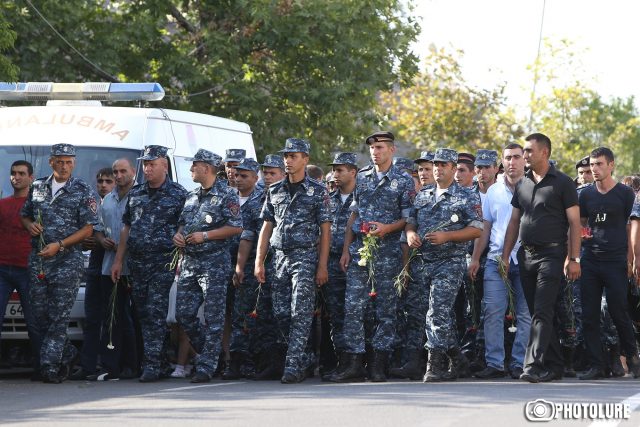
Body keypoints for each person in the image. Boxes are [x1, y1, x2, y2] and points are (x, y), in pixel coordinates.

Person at [331, 131, 415, 383]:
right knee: (353, 308)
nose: (374, 152)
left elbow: (409, 218)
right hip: (360, 254)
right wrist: (346, 249)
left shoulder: (403, 180)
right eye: (372, 148)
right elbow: (354, 216)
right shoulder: (364, 177)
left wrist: (388, 228)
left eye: (379, 147)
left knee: (385, 311)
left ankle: (379, 363)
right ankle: (355, 362)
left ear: (391, 150)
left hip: (388, 253)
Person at [502, 133, 582, 383]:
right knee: (541, 311)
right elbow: (515, 221)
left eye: (528, 151)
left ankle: (532, 365)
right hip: (526, 255)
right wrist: (505, 256)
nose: (524, 155)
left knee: (541, 310)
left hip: (553, 254)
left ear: (544, 152)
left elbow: (574, 223)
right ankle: (556, 365)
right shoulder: (522, 183)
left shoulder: (563, 182)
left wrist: (574, 258)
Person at [255, 137, 331, 383]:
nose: (288, 160)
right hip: (279, 258)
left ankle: (293, 366)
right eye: (286, 156)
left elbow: (325, 230)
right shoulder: (275, 190)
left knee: (300, 310)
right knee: (280, 313)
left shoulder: (317, 191)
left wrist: (321, 265)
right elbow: (267, 227)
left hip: (305, 256)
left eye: (293, 156)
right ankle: (305, 357)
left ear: (305, 159)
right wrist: (259, 261)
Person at [21, 144, 98, 383]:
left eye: (68, 162)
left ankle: (50, 367)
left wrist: (61, 245)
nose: (64, 166)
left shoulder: (82, 189)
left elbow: (88, 228)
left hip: (67, 261)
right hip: (40, 261)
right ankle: (69, 353)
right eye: (60, 161)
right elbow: (25, 214)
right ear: (51, 162)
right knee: (39, 315)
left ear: (74, 163)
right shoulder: (37, 187)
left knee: (58, 317)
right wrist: (29, 225)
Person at [404, 148, 482, 382]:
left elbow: (477, 229)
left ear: (452, 168)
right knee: (422, 314)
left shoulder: (467, 195)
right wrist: (410, 235)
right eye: (434, 165)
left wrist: (448, 237)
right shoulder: (424, 193)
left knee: (437, 312)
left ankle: (435, 364)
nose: (437, 169)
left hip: (450, 262)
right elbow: (411, 223)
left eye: (442, 165)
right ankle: (458, 359)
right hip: (423, 261)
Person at [111, 145, 188, 382]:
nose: (148, 168)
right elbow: (127, 227)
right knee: (143, 313)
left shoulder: (179, 193)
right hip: (138, 263)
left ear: (164, 165)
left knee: (155, 312)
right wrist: (118, 260)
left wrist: (180, 242)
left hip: (163, 262)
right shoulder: (136, 194)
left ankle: (152, 365)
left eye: (152, 164)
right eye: (145, 164)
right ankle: (162, 360)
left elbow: (185, 224)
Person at [173, 149, 242, 383]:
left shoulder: (227, 194)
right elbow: (182, 224)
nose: (191, 169)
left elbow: (235, 227)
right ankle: (214, 355)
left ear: (207, 168)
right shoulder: (191, 196)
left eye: (195, 165)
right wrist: (179, 236)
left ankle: (207, 366)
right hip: (190, 263)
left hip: (214, 263)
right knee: (183, 315)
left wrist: (206, 235)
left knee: (214, 317)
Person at [578, 147, 640, 380]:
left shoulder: (625, 194)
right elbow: (581, 223)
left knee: (618, 312)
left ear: (611, 165)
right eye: (592, 165)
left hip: (615, 261)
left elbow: (630, 227)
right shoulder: (585, 195)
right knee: (589, 315)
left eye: (599, 164)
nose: (594, 169)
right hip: (591, 261)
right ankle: (596, 365)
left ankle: (633, 359)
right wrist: (581, 240)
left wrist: (631, 259)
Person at [470, 144, 531, 380]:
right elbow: (485, 227)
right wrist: (476, 258)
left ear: (524, 161)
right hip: (496, 260)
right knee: (492, 311)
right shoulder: (493, 191)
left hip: (526, 259)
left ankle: (519, 363)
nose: (512, 162)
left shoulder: (533, 188)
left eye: (517, 157)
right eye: (508, 158)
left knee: (525, 315)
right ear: (502, 163)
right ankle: (494, 363)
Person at [87, 158, 139, 380]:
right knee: (112, 317)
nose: (118, 176)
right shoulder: (108, 199)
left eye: (122, 171)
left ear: (133, 172)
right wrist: (101, 240)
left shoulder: (140, 198)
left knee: (133, 318)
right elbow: (97, 228)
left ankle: (134, 364)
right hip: (110, 267)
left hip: (134, 267)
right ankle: (112, 366)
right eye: (115, 171)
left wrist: (125, 246)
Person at [226, 158, 274, 380]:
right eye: (236, 175)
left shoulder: (262, 200)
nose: (238, 179)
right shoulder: (227, 197)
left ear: (256, 178)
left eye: (244, 176)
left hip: (253, 264)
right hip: (223, 261)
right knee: (229, 315)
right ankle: (229, 360)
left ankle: (246, 361)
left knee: (249, 314)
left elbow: (249, 236)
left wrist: (242, 266)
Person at [71, 168, 116, 381]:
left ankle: (110, 364)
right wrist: (86, 240)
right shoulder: (91, 205)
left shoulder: (119, 203)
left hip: (113, 266)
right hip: (93, 267)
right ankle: (88, 365)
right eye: (100, 181)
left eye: (108, 181)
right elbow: (81, 234)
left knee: (112, 319)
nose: (104, 185)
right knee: (91, 318)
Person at [321, 152, 358, 380]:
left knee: (355, 314)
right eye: (334, 169)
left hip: (355, 262)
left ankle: (358, 361)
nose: (335, 174)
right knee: (335, 315)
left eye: (340, 169)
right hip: (331, 262)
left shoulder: (363, 196)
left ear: (353, 172)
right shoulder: (328, 198)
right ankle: (342, 362)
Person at [0, 161, 39, 376]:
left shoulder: (37, 205)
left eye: (22, 173)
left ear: (31, 178)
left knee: (33, 321)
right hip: (2, 269)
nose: (17, 177)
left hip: (28, 269)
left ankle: (41, 367)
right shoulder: (2, 204)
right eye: (13, 173)